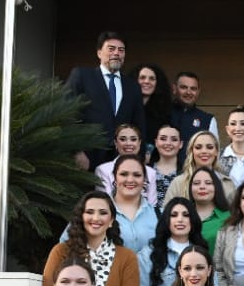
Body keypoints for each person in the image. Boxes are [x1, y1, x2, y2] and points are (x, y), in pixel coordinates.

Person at [40, 192, 141, 286]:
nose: (96, 218)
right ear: (81, 217)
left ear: (111, 221)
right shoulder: (61, 252)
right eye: (89, 212)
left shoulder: (127, 258)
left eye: (103, 213)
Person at [65, 31, 145, 168]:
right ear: (99, 53)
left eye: (121, 50)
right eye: (111, 48)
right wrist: (76, 152)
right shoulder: (82, 76)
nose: (116, 53)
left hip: (122, 159)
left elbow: (139, 124)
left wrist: (138, 157)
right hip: (87, 157)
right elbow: (66, 115)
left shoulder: (133, 86)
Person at [104, 155, 160, 286]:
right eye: (124, 174)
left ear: (145, 180)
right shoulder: (96, 211)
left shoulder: (159, 215)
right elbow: (68, 246)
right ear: (114, 178)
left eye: (137, 175)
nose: (130, 180)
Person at [143, 197, 205, 286]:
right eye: (174, 215)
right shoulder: (148, 254)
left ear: (193, 220)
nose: (180, 219)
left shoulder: (202, 253)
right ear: (166, 220)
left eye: (186, 215)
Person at [94, 125, 158, 207]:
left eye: (133, 139)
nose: (128, 143)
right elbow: (105, 204)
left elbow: (152, 206)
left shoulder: (150, 172)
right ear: (116, 143)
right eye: (123, 139)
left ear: (139, 143)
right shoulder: (102, 170)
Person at [168, 130, 234, 208]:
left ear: (216, 152)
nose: (204, 151)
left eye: (209, 147)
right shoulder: (177, 183)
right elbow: (167, 216)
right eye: (198, 147)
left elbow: (234, 216)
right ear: (192, 152)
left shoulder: (228, 184)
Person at [170, 70, 218, 145]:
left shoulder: (208, 120)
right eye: (184, 87)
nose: (188, 92)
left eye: (193, 89)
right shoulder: (161, 114)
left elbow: (214, 151)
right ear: (174, 89)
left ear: (198, 92)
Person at [189, 168, 232, 252]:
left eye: (208, 183)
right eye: (196, 183)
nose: (202, 187)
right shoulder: (182, 216)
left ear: (216, 187)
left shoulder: (229, 218)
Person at [131, 63, 173, 142]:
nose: (147, 81)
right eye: (142, 78)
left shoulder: (163, 111)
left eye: (152, 79)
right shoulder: (125, 108)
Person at [216, 107, 244, 189]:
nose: (238, 128)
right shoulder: (217, 156)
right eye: (233, 124)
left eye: (243, 124)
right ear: (227, 129)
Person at [149, 124, 185, 211]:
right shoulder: (145, 171)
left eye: (174, 139)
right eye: (163, 139)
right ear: (156, 142)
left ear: (181, 144)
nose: (168, 143)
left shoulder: (188, 172)